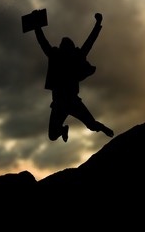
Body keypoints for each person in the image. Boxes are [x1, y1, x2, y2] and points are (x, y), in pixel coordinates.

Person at [33, 11, 114, 142]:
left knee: (89, 124)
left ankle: (102, 128)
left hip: (67, 101)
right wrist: (98, 24)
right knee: (56, 134)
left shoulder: (64, 56)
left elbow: (43, 42)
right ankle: (66, 129)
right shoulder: (65, 56)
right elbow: (89, 42)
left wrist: (37, 27)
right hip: (64, 102)